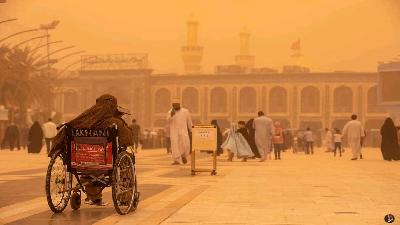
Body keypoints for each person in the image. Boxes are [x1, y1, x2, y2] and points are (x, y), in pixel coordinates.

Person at [51, 94, 134, 206]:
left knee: (89, 164)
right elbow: (128, 140)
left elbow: (66, 132)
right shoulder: (115, 122)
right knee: (127, 160)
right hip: (106, 162)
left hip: (82, 162)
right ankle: (125, 197)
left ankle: (94, 197)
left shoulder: (84, 121)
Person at [167, 99, 193, 165]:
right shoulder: (170, 112)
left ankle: (183, 156)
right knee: (175, 145)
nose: (175, 106)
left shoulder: (185, 111)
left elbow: (189, 121)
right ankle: (176, 160)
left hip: (183, 131)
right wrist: (171, 116)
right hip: (174, 132)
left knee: (185, 144)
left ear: (179, 104)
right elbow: (168, 121)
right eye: (173, 105)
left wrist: (192, 130)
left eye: (176, 105)